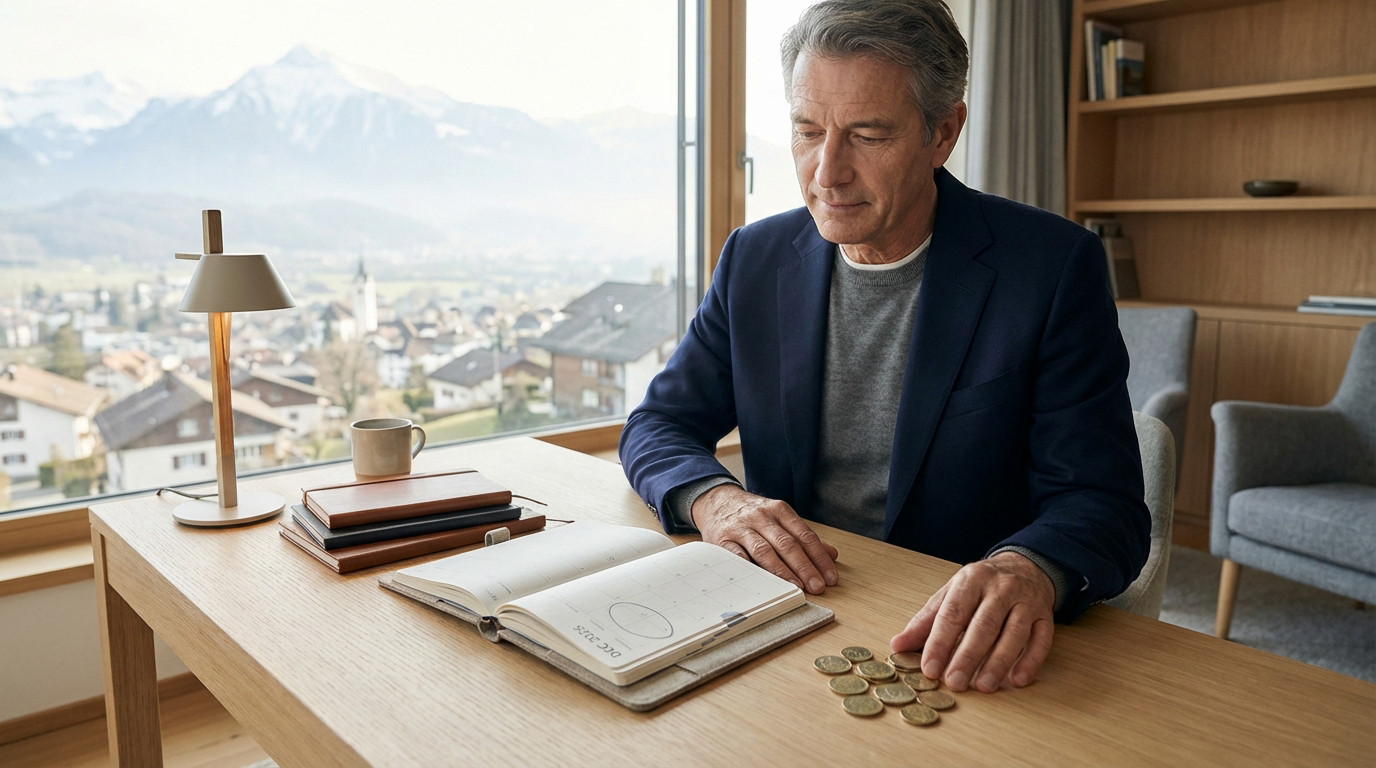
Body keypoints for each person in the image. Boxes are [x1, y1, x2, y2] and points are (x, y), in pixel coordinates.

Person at [618, 0, 1149, 695]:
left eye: (867, 134)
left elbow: (1102, 502)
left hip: (947, 635)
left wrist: (1027, 569)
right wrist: (717, 500)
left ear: (943, 133)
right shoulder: (755, 256)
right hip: (785, 613)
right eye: (807, 131)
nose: (826, 171)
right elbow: (660, 423)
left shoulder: (1050, 269)